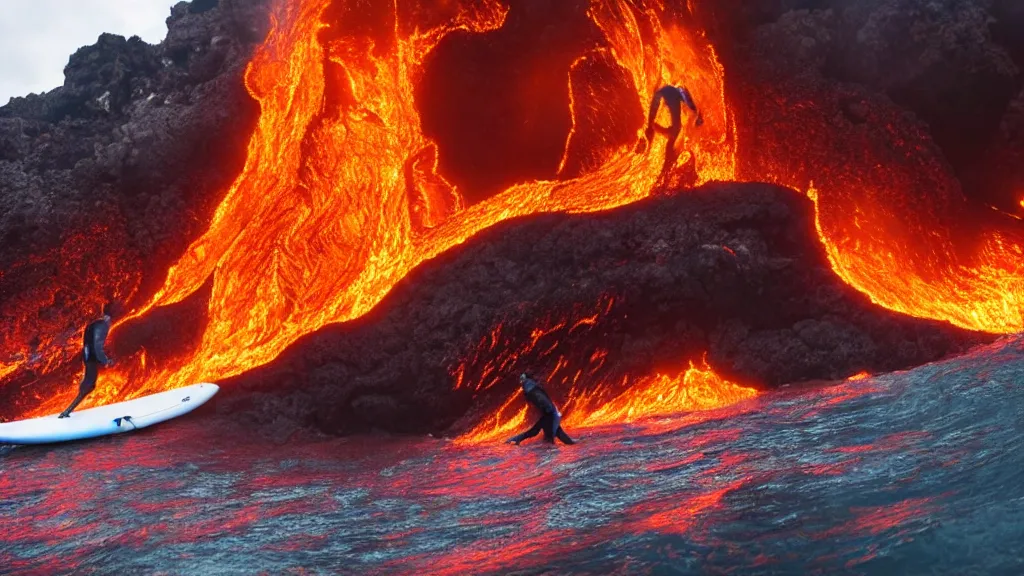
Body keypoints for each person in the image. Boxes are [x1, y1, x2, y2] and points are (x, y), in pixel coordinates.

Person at [58, 304, 116, 418]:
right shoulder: (103, 325)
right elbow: (97, 346)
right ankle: (66, 412)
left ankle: (67, 411)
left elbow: (88, 342)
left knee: (89, 383)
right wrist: (105, 361)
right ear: (109, 317)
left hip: (87, 354)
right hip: (91, 356)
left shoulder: (93, 323)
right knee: (89, 385)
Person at [641, 84, 703, 182]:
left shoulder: (668, 93)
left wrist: (652, 126)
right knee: (669, 168)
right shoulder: (677, 93)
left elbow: (668, 130)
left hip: (677, 139)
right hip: (678, 137)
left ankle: (664, 185)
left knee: (667, 168)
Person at [507, 373, 576, 445]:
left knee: (540, 433)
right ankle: (514, 441)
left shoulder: (530, 389)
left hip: (548, 414)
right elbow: (542, 400)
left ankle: (513, 440)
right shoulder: (532, 388)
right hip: (549, 414)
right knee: (549, 435)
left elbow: (541, 400)